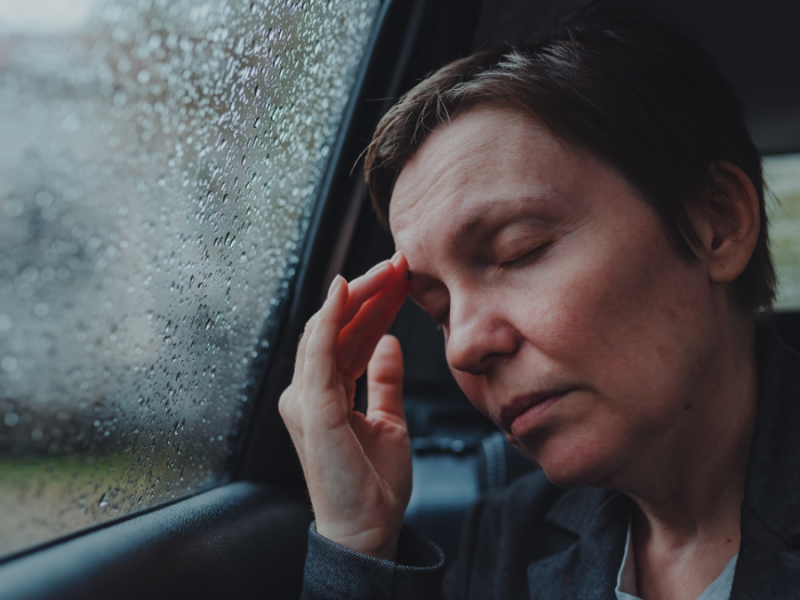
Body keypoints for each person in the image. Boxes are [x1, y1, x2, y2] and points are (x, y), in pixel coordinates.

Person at [278, 2, 800, 599]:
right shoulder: (507, 536)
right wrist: (358, 544)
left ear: (718, 222)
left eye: (519, 251)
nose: (467, 346)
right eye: (440, 311)